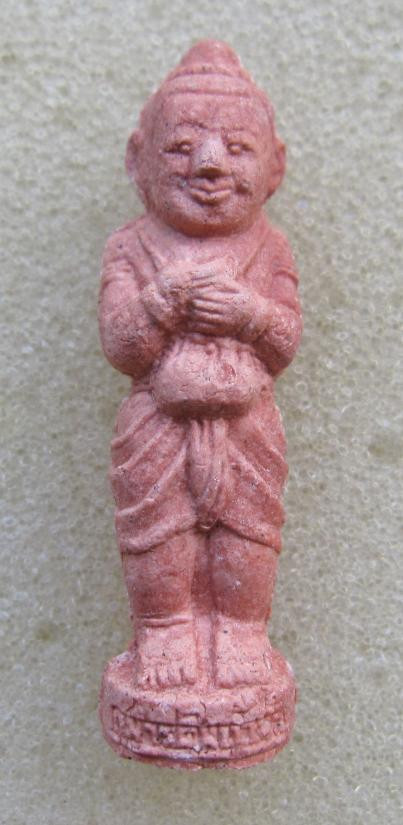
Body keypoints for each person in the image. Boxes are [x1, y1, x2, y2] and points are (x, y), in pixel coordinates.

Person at [99, 40, 302, 691]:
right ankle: (162, 628)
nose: (210, 165)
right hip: (157, 423)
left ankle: (241, 631)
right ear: (138, 160)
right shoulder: (131, 246)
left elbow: (285, 341)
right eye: (181, 147)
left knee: (249, 528)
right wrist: (160, 303)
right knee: (157, 531)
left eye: (237, 148)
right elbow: (121, 347)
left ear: (274, 166)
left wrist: (248, 315)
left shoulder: (269, 246)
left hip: (247, 425)